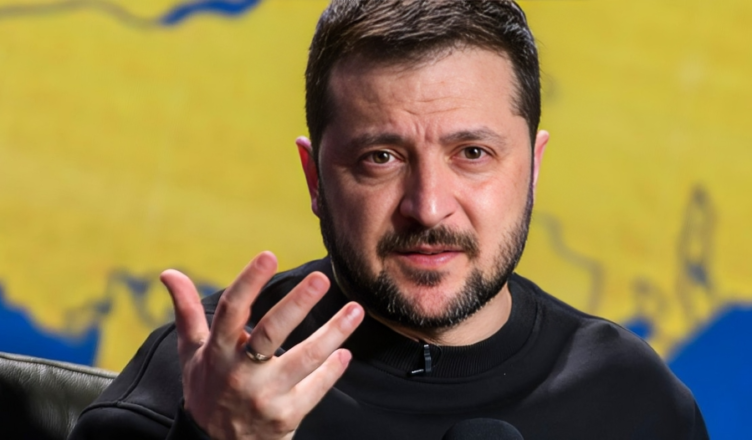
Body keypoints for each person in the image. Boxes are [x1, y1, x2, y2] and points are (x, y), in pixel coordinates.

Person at [69, 1, 709, 439]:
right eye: (381, 158)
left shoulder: (633, 399)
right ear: (315, 178)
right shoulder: (200, 388)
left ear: (534, 168)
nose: (427, 206)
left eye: (472, 154)